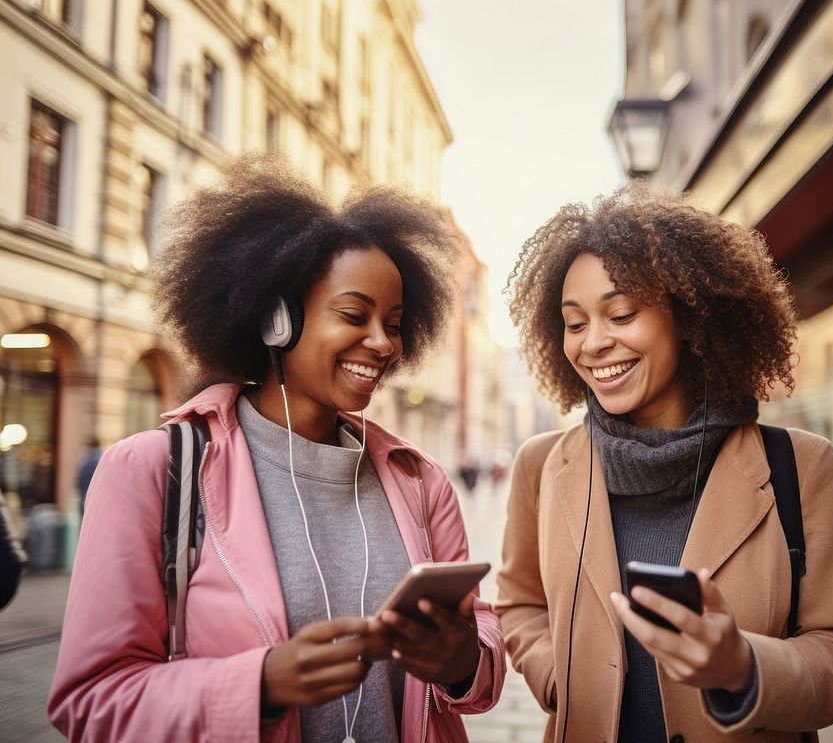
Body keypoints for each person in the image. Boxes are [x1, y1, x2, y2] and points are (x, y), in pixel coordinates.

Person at [49, 154, 504, 743]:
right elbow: (90, 700)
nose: (382, 343)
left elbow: (482, 648)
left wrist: (462, 661)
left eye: (393, 322)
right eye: (353, 315)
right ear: (277, 321)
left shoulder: (421, 482)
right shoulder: (152, 469)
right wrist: (257, 685)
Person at [497, 184, 833, 743]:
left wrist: (743, 668)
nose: (594, 343)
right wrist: (562, 681)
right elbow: (519, 603)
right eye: (576, 322)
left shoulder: (803, 467)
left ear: (687, 317)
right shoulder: (540, 466)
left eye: (622, 313)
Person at [75, 438, 101, 514]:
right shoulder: (100, 457)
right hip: (94, 496)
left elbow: (79, 481)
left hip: (86, 494)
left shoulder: (88, 459)